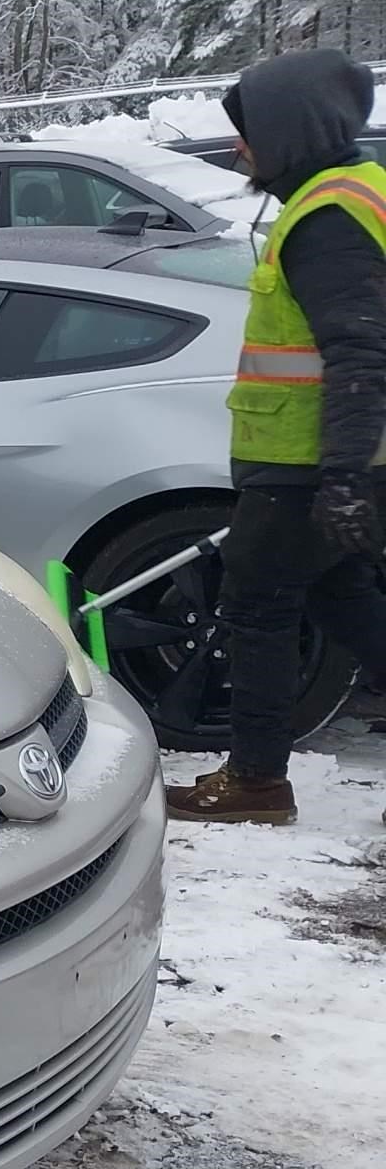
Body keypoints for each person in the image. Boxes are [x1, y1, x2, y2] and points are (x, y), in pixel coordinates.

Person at [165, 49, 386, 826]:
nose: (238, 149)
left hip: (303, 465)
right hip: (313, 461)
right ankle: (257, 779)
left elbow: (359, 349)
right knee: (344, 599)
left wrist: (344, 476)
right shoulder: (352, 195)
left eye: (249, 133)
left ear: (289, 131)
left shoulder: (329, 216)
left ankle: (256, 783)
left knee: (254, 607)